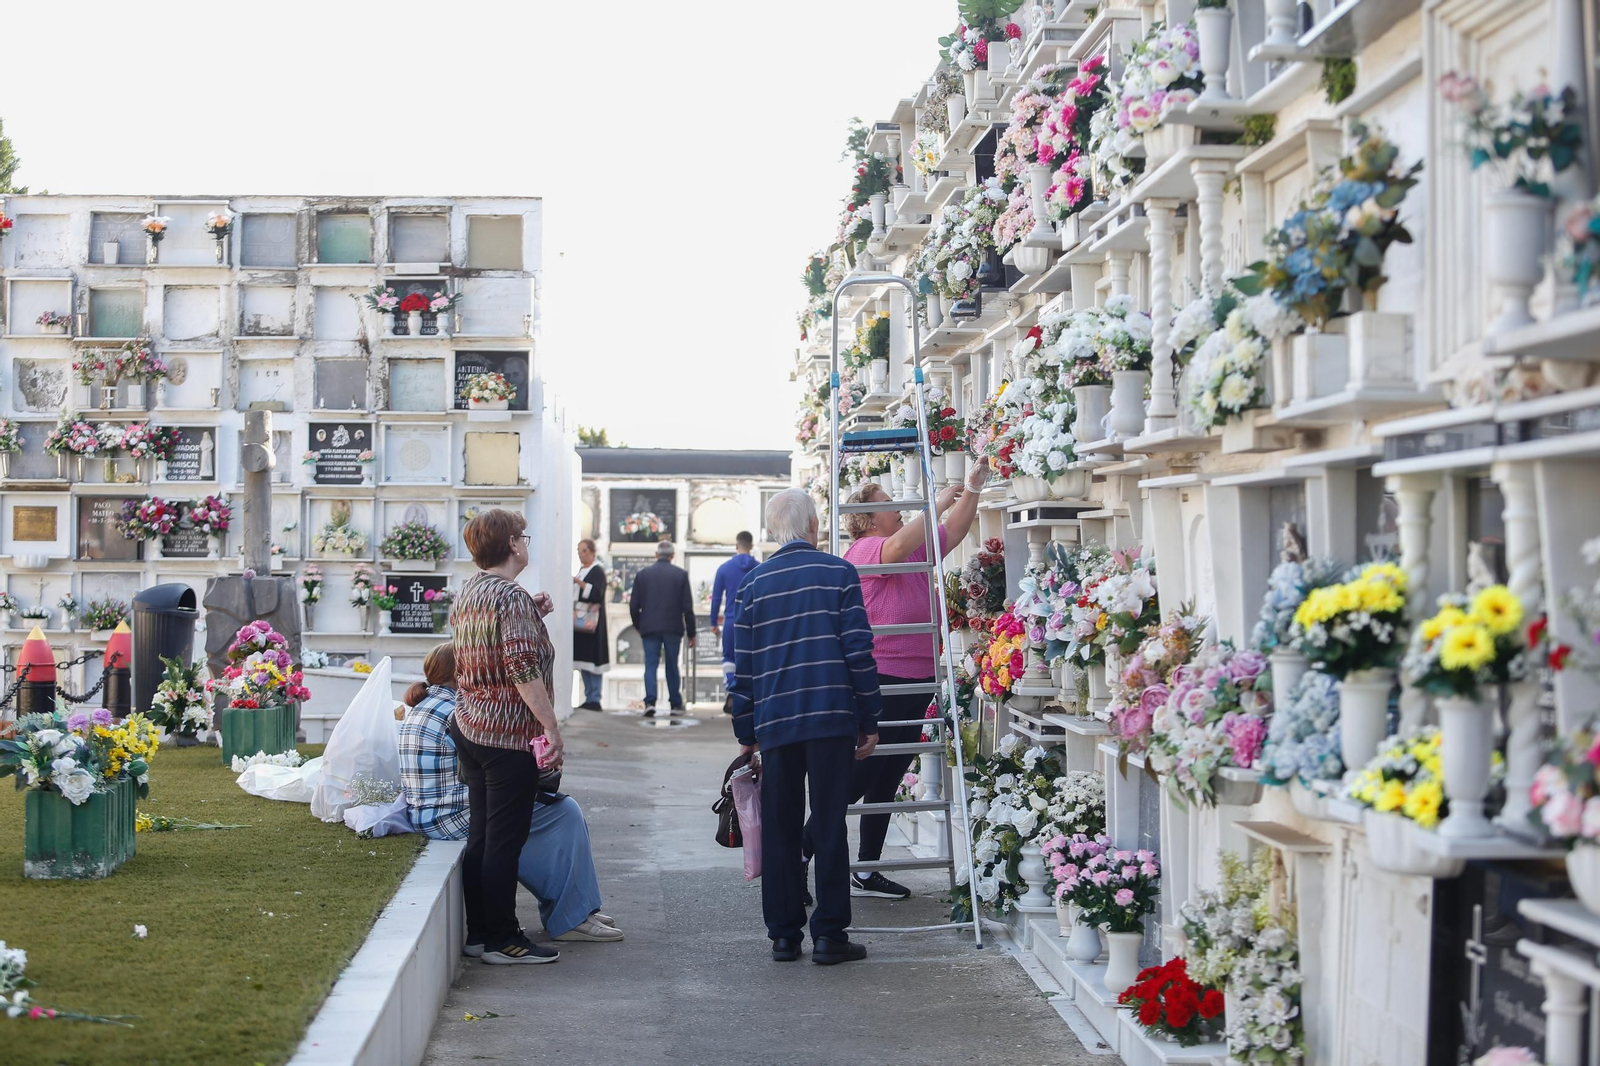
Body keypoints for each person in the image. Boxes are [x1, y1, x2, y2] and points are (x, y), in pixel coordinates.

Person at [806, 456, 992, 901]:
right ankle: (800, 851)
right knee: (857, 778)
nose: (899, 508)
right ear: (867, 519)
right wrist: (933, 503)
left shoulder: (910, 544)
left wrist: (973, 489)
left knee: (887, 779)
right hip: (883, 679)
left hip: (917, 676)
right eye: (890, 504)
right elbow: (897, 548)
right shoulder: (867, 551)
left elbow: (957, 531)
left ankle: (866, 871)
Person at [731, 489, 880, 965]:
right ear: (814, 524)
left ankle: (783, 934)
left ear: (776, 530)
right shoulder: (840, 573)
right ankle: (830, 935)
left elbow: (745, 666)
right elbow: (858, 650)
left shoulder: (753, 585)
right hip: (832, 716)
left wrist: (745, 728)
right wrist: (869, 716)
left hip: (777, 721)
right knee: (830, 823)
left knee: (780, 826)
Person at [400, 643, 622, 947]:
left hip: (433, 813)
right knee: (563, 813)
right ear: (461, 672)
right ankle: (572, 915)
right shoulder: (459, 711)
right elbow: (492, 772)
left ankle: (576, 909)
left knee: (547, 809)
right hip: (453, 817)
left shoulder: (427, 704)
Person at [450, 507, 563, 965]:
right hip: (507, 737)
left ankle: (479, 932)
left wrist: (531, 615)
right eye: (525, 535)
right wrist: (551, 726)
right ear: (513, 545)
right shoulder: (509, 596)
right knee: (504, 840)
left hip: (472, 726)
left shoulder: (470, 591)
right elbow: (520, 668)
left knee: (482, 835)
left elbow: (487, 648)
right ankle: (502, 938)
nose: (527, 542)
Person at [628, 539, 696, 717]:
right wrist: (692, 632)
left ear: (656, 555)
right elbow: (687, 607)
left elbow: (633, 605)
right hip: (673, 627)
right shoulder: (680, 575)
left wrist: (638, 625)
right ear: (672, 555)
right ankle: (674, 703)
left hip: (649, 627)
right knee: (672, 664)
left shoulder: (643, 575)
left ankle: (650, 702)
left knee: (651, 664)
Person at [709, 531, 760, 712]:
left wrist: (713, 622)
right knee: (753, 658)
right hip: (754, 622)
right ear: (751, 546)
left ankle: (732, 690)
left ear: (736, 546)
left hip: (731, 620)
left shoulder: (724, 569)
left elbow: (716, 598)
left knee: (729, 658)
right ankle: (750, 697)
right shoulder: (759, 568)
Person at [573, 539, 610, 711]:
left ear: (592, 552)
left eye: (584, 551)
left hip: (592, 623)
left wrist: (578, 583)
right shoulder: (582, 570)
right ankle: (588, 695)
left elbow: (596, 593)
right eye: (579, 551)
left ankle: (595, 697)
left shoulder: (597, 571)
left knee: (594, 660)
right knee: (583, 660)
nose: (581, 554)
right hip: (581, 622)